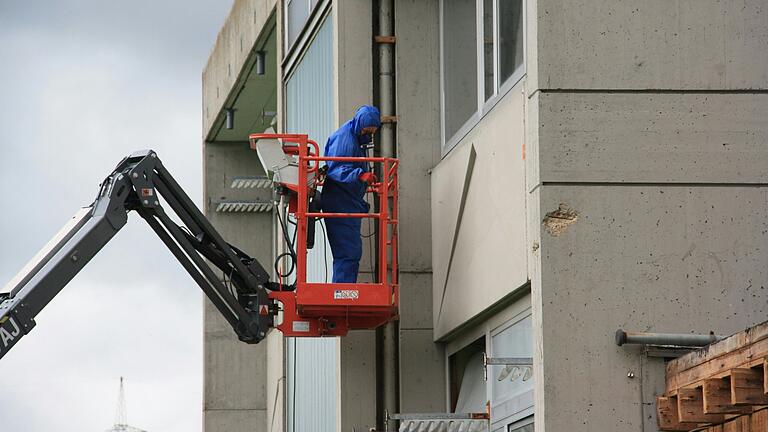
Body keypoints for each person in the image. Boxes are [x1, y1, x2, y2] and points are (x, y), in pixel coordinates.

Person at [321, 105, 381, 283]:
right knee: (348, 251)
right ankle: (342, 293)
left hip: (348, 201)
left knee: (350, 251)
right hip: (340, 201)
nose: (369, 135)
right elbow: (336, 168)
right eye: (367, 131)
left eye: (372, 132)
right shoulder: (345, 138)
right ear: (359, 125)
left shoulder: (356, 137)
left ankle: (344, 289)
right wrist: (360, 175)